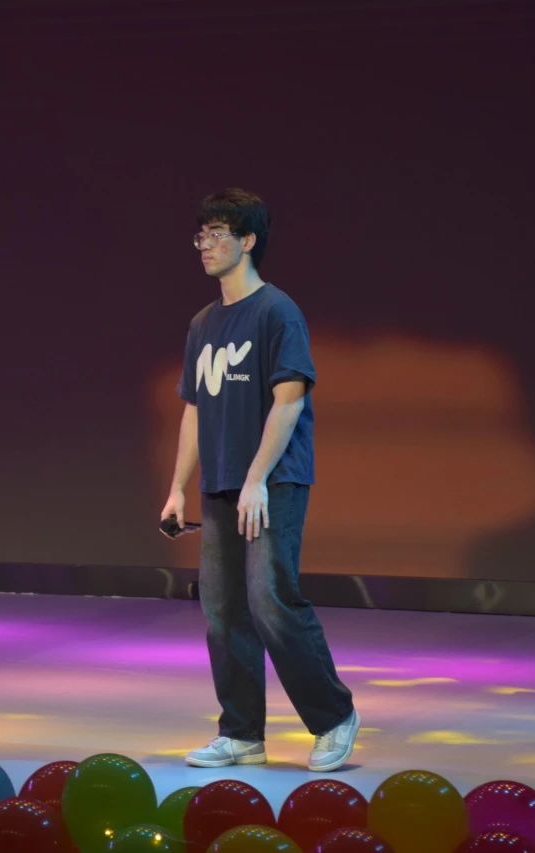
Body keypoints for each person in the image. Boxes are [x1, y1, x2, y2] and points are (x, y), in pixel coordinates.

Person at [160, 188, 358, 771]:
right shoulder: (203, 323)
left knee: (270, 599)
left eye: (218, 234)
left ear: (248, 241)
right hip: (222, 482)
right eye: (201, 235)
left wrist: (257, 479)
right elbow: (194, 410)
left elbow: (289, 400)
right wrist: (177, 487)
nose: (205, 245)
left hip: (272, 481)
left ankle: (334, 716)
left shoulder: (277, 312)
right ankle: (242, 733)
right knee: (223, 610)